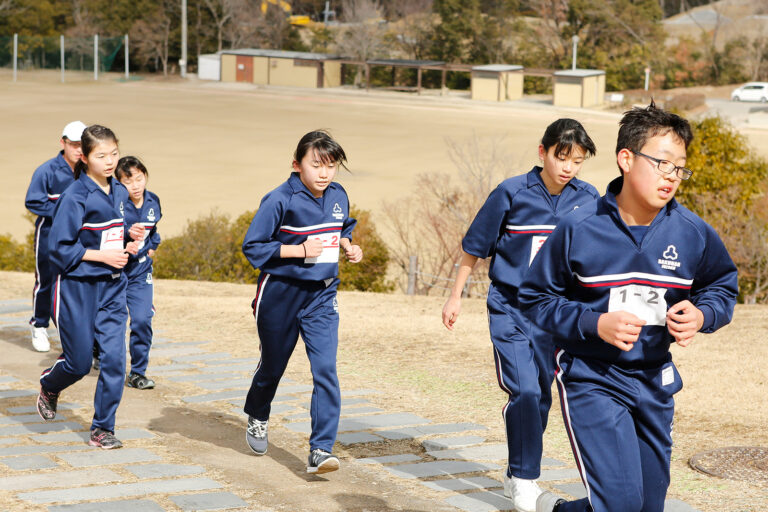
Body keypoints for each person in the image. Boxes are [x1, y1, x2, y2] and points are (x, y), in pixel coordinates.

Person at [518, 103, 738, 512]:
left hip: (655, 381)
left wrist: (702, 314)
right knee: (620, 503)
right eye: (662, 163)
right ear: (626, 159)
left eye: (680, 167)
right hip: (592, 378)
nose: (671, 176)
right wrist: (594, 322)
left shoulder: (693, 233)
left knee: (646, 506)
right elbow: (534, 299)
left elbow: (722, 287)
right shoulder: (578, 227)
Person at [442, 119, 599, 512]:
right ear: (543, 152)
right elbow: (475, 247)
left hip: (556, 315)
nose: (568, 168)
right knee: (525, 390)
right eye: (562, 157)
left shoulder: (589, 198)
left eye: (577, 161)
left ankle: (520, 469)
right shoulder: (511, 192)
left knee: (541, 396)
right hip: (510, 307)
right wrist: (455, 296)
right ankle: (525, 479)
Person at [241, 130, 362, 474]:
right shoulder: (279, 199)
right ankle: (258, 413)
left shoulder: (338, 194)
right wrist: (297, 250)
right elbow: (253, 247)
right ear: (297, 164)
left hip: (322, 295)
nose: (324, 173)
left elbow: (342, 226)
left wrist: (348, 244)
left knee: (325, 370)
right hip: (280, 294)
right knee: (273, 367)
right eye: (316, 165)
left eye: (331, 165)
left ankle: (321, 450)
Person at [36, 125, 143, 450]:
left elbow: (115, 232)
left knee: (114, 361)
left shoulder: (121, 192)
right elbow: (58, 249)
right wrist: (102, 255)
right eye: (101, 155)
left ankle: (102, 428)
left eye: (114, 153)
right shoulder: (74, 196)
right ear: (84, 156)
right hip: (77, 289)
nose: (110, 161)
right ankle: (49, 385)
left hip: (112, 288)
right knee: (79, 363)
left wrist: (130, 239)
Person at [25, 121, 87, 352]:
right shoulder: (47, 170)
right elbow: (33, 200)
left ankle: (74, 335)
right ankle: (39, 325)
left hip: (81, 235)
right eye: (74, 145)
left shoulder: (89, 170)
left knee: (76, 283)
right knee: (47, 280)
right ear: (63, 143)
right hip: (49, 233)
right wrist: (65, 213)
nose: (79, 150)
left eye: (83, 145)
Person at [115, 156, 162, 390]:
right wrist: (125, 239)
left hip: (141, 272)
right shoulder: (114, 205)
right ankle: (99, 353)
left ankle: (137, 372)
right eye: (127, 181)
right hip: (114, 271)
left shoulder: (153, 201)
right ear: (118, 184)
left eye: (139, 178)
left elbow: (154, 230)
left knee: (142, 320)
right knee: (111, 323)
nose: (135, 185)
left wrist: (153, 246)